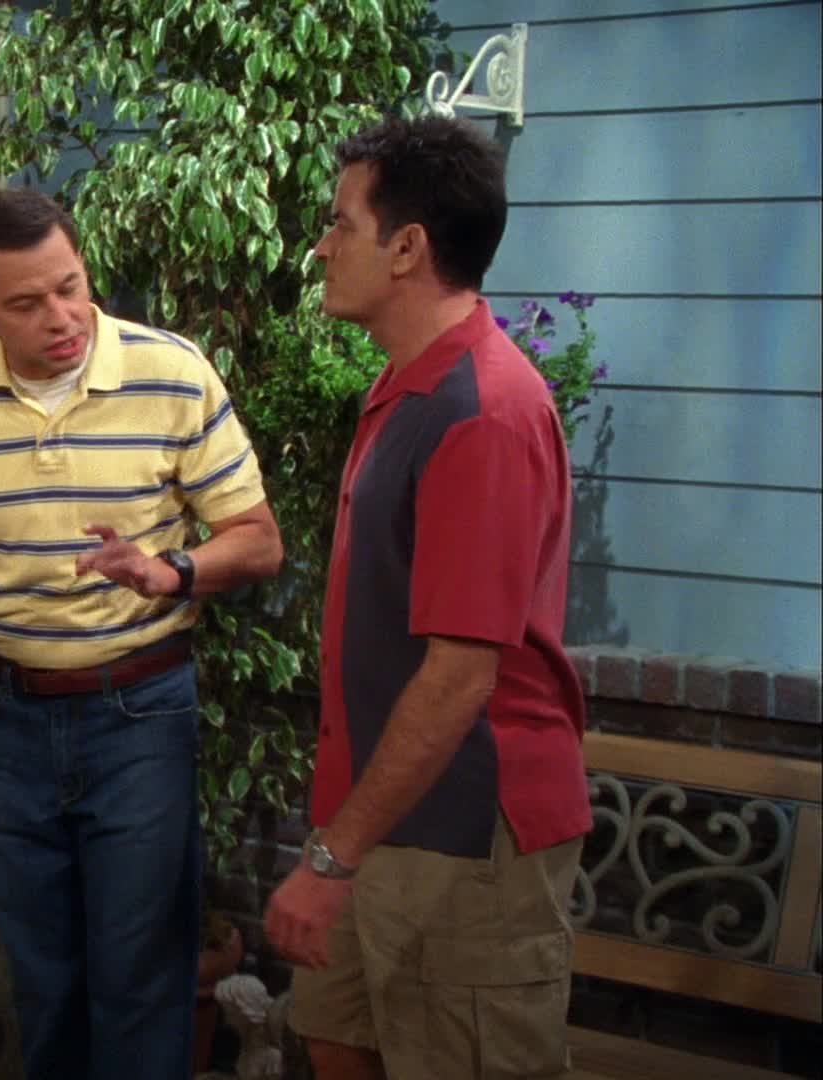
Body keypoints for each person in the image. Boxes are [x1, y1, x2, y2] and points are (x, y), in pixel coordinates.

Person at [0, 188, 283, 1078]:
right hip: (5, 714)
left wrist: (170, 571)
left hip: (139, 711)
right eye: (27, 303)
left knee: (139, 977)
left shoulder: (172, 374)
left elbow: (258, 541)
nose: (62, 317)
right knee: (41, 979)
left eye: (71, 287)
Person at [263, 116, 590, 1080]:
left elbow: (458, 678)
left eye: (340, 224)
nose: (321, 246)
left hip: (467, 831)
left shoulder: (482, 412)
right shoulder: (410, 386)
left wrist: (333, 858)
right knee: (337, 1038)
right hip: (380, 811)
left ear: (406, 248)